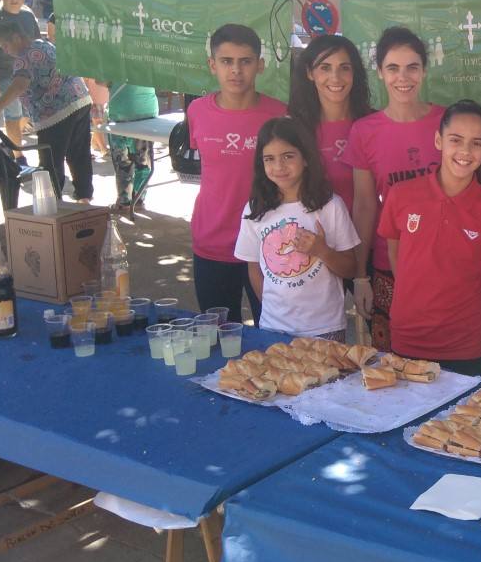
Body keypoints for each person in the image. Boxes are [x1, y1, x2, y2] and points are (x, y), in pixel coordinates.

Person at [377, 101, 481, 376]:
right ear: (439, 141)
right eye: (456, 140)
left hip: (468, 347)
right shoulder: (402, 195)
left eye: (476, 143)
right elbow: (397, 256)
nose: (465, 151)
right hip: (409, 341)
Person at [344, 27, 444, 350]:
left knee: (450, 368)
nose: (403, 77)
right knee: (393, 369)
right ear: (379, 72)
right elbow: (364, 205)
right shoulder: (364, 131)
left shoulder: (448, 123)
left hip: (446, 261)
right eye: (393, 68)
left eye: (412, 67)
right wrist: (361, 275)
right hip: (390, 266)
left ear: (424, 71)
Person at [188, 24, 287, 323]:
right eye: (226, 61)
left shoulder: (280, 115)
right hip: (211, 242)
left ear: (260, 65)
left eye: (245, 61)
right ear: (212, 65)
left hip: (267, 245)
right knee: (219, 338)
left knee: (272, 339)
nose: (236, 70)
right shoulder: (197, 111)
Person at [234, 117, 360, 338]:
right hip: (274, 327)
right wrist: (274, 310)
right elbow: (253, 268)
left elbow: (350, 268)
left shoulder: (330, 206)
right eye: (269, 159)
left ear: (306, 159)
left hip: (325, 329)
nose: (279, 166)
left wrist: (322, 251)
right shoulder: (255, 210)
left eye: (288, 156)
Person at [0, 17, 93, 202]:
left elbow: (19, 86)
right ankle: (84, 199)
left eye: (4, 45)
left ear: (16, 37)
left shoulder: (24, 57)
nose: (5, 51)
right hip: (80, 100)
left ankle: (53, 205)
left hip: (56, 112)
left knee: (51, 161)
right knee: (79, 154)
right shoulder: (44, 44)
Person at [287, 34, 373, 213]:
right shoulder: (294, 130)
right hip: (314, 237)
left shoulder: (374, 125)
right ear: (310, 73)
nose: (335, 77)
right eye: (325, 68)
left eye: (344, 68)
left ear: (354, 72)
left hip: (372, 238)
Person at [0, 0, 39, 155]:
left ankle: (9, 141)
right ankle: (18, 155)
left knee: (28, 114)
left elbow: (36, 41)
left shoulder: (27, 14)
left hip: (29, 71)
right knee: (13, 113)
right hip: (5, 74)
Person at [107, 82, 159, 212]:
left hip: (120, 110)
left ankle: (124, 202)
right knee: (143, 160)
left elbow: (100, 80)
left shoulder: (112, 60)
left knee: (122, 161)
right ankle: (139, 200)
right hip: (146, 109)